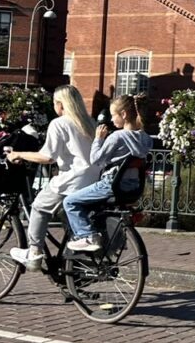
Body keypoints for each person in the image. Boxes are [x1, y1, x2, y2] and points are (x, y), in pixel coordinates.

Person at [8, 85, 97, 271]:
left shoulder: (60, 123)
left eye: (54, 103)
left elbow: (48, 157)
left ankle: (34, 253)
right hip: (92, 180)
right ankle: (74, 260)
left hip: (72, 180)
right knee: (67, 215)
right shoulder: (90, 123)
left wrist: (19, 154)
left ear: (60, 104)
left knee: (39, 206)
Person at [62, 94, 152, 252]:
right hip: (132, 187)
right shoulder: (145, 139)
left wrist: (99, 139)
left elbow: (96, 159)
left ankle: (88, 236)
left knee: (70, 202)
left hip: (111, 185)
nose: (111, 119)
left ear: (123, 114)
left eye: (113, 115)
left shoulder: (117, 137)